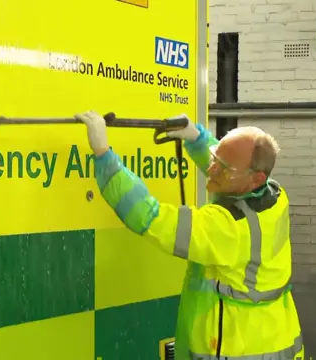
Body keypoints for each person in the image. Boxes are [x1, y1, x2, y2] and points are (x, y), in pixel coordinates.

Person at [74, 110, 304, 360]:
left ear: (256, 178)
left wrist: (104, 156)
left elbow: (149, 217)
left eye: (221, 167)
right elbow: (231, 166)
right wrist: (197, 139)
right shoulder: (274, 196)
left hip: (238, 349)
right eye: (214, 158)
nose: (212, 168)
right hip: (270, 337)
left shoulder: (227, 228)